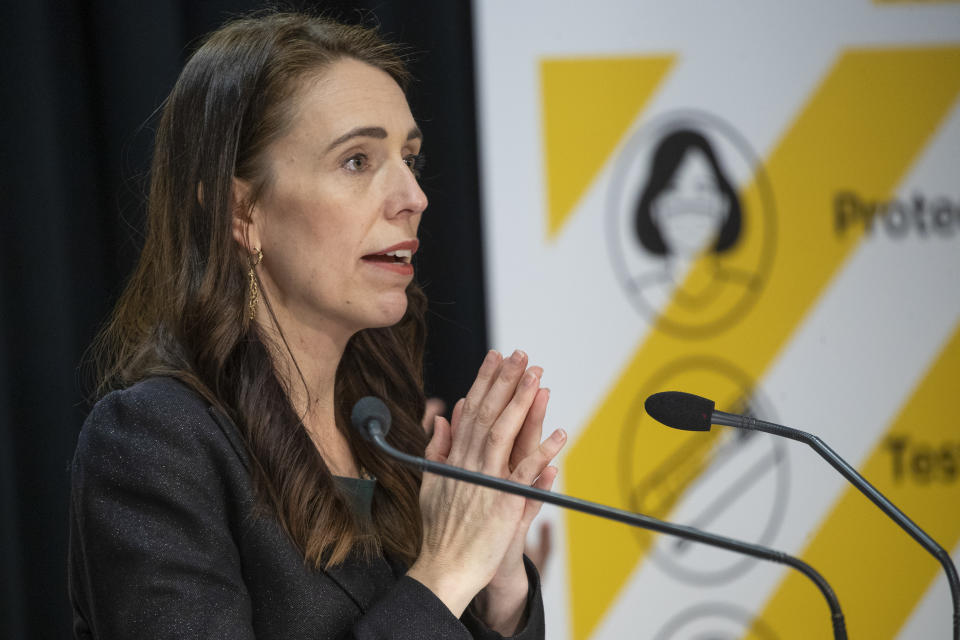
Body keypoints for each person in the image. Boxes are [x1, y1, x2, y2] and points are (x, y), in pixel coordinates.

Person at [68, 12, 565, 639]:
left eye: (409, 157)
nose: (413, 195)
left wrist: (497, 586)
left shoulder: (393, 439)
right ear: (241, 212)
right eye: (357, 161)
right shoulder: (155, 443)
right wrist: (446, 570)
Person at [629, 129, 756, 311]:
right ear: (654, 206)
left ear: (724, 205)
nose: (689, 203)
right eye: (672, 187)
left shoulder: (744, 290)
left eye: (703, 187)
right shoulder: (641, 291)